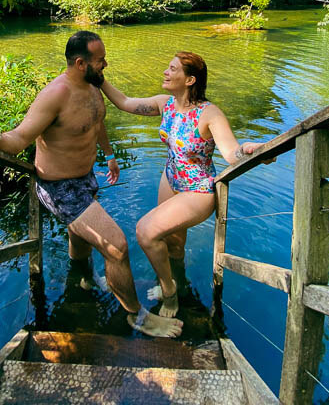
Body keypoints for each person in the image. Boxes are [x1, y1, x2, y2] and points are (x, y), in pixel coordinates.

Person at [0, 31, 183, 338]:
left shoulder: (93, 85)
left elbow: (95, 121)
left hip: (85, 177)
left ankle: (82, 280)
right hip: (60, 187)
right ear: (81, 63)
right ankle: (137, 316)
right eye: (100, 60)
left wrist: (109, 155)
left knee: (80, 240)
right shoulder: (55, 94)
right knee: (116, 246)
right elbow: (21, 137)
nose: (105, 64)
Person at [101, 51, 271, 318]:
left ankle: (169, 291)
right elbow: (123, 102)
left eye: (172, 69)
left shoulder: (209, 113)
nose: (165, 73)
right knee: (173, 245)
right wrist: (98, 79)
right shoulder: (164, 104)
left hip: (197, 190)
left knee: (146, 232)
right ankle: (177, 280)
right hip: (170, 179)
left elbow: (231, 153)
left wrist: (249, 149)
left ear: (190, 79)